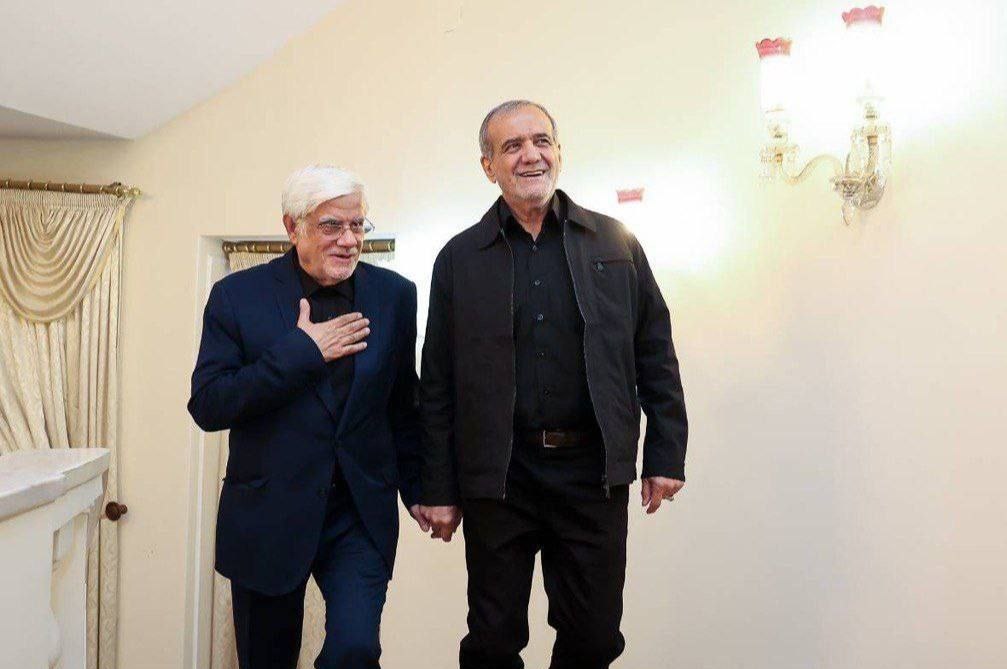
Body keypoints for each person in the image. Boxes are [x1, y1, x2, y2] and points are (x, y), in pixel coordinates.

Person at [419, 100, 690, 669]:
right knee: (492, 642)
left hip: (592, 473)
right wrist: (438, 486)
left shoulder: (615, 242)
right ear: (488, 166)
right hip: (500, 476)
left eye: (541, 141)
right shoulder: (459, 259)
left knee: (594, 638)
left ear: (559, 152)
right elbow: (437, 384)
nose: (531, 155)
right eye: (512, 146)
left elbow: (655, 353)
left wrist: (666, 453)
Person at [188, 165, 426, 669]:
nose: (349, 240)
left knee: (356, 649)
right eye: (331, 225)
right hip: (268, 515)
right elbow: (208, 404)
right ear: (292, 228)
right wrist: (300, 353)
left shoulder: (396, 295)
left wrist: (423, 489)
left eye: (358, 225)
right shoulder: (237, 296)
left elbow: (403, 405)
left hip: (358, 514)